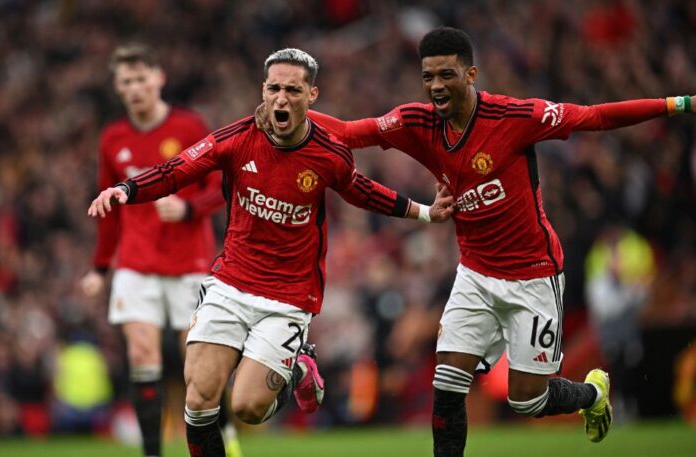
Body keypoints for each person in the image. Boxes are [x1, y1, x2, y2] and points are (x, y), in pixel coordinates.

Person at [273, 27, 696, 455]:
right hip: (474, 274)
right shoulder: (417, 123)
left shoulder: (515, 117)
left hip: (533, 275)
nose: (436, 86)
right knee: (447, 381)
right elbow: (351, 132)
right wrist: (287, 112)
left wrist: (680, 103)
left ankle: (592, 393)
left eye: (447, 74)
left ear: (471, 74)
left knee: (527, 400)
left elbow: (595, 117)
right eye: (428, 76)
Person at [87, 48, 454, 457]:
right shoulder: (237, 138)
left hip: (288, 297)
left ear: (311, 95)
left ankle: (297, 365)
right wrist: (126, 190)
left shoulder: (328, 154)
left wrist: (424, 213)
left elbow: (362, 191)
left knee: (247, 406)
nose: (281, 98)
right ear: (263, 90)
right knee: (199, 397)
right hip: (230, 283)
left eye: (293, 90)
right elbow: (176, 170)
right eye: (274, 88)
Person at [79, 44, 241, 457]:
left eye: (141, 78)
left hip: (189, 263)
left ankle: (224, 434)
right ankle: (152, 452)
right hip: (136, 263)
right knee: (142, 353)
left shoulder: (190, 127)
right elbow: (109, 210)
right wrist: (100, 267)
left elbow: (222, 188)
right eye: (126, 81)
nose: (135, 88)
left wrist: (188, 208)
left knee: (199, 365)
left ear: (159, 78)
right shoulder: (113, 138)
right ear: (117, 87)